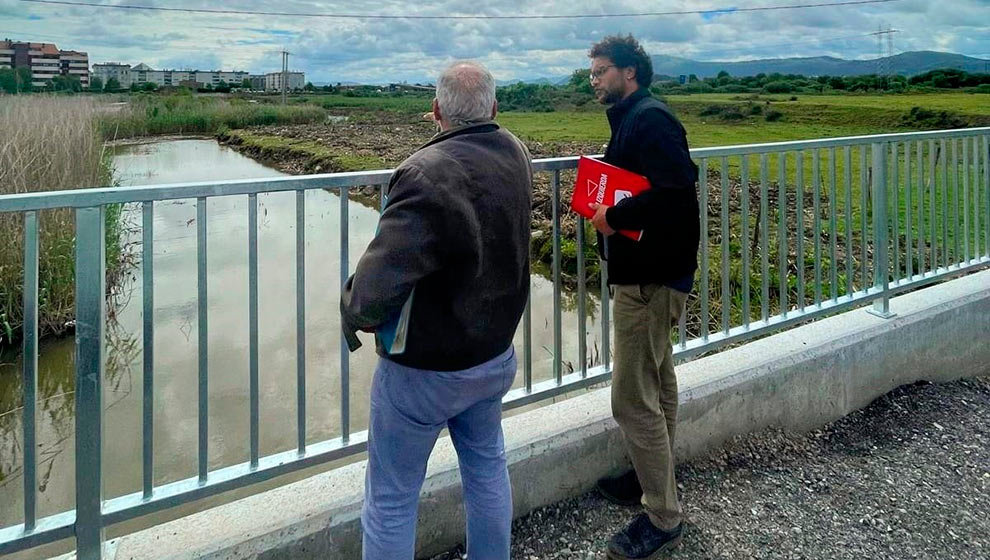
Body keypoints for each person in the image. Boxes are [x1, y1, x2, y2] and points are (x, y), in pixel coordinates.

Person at [340, 61, 532, 560]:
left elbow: (372, 293)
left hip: (425, 371)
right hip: (493, 355)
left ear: (435, 112)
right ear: (493, 108)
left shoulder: (424, 173)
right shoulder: (516, 151)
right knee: (487, 466)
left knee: (391, 497)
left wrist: (352, 306)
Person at [585, 35, 701, 559]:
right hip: (651, 273)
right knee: (658, 378)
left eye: (601, 72)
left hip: (650, 279)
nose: (595, 80)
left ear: (629, 73)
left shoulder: (651, 119)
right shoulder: (636, 117)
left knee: (631, 397)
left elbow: (676, 192)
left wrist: (614, 217)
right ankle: (651, 478)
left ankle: (662, 516)